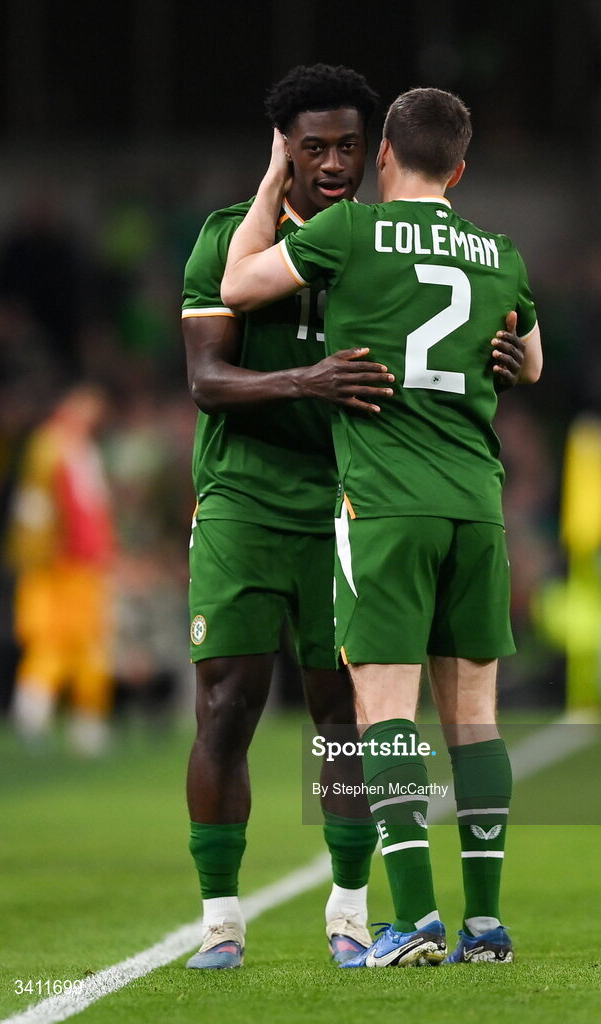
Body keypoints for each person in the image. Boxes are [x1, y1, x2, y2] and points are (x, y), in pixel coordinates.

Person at [222, 86, 543, 968]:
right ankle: (485, 925)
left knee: (384, 713)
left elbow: (238, 282)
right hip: (476, 504)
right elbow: (532, 360)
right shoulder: (498, 250)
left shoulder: (354, 231)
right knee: (474, 720)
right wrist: (502, 358)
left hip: (386, 504)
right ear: (462, 169)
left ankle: (411, 921)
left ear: (386, 157)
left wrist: (271, 182)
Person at [182, 64, 389, 971]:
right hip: (241, 500)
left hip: (344, 502)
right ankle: (220, 925)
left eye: (348, 145)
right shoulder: (227, 239)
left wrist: (495, 355)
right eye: (315, 147)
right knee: (228, 708)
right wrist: (305, 379)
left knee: (340, 714)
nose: (334, 163)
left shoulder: (383, 249)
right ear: (284, 150)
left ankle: (348, 913)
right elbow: (205, 381)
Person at [6, 383, 116, 757]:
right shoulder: (50, 445)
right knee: (51, 640)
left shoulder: (81, 448)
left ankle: (85, 724)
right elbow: (36, 507)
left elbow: (94, 511)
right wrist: (40, 553)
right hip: (58, 565)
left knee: (88, 643)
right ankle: (32, 717)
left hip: (84, 565)